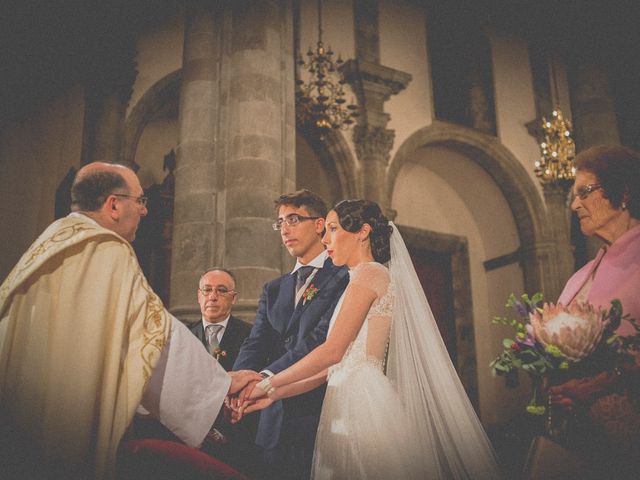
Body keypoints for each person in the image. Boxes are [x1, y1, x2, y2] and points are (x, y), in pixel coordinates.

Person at [0, 162, 259, 479]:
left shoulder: (46, 247)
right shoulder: (106, 251)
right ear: (113, 205)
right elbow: (150, 333)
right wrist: (222, 383)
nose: (145, 211)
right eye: (140, 201)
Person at [238, 199, 502, 479]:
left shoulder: (369, 274)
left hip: (361, 401)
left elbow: (332, 351)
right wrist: (273, 393)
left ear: (362, 232)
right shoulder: (358, 277)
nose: (325, 238)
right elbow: (332, 369)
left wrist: (267, 382)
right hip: (345, 391)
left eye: (332, 229)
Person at [232, 189, 350, 479]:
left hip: (320, 409)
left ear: (319, 224)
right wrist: (238, 381)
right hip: (271, 416)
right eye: (280, 222)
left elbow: (320, 339)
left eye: (294, 219)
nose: (284, 229)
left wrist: (266, 379)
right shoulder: (274, 289)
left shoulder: (344, 277)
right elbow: (256, 341)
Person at [549, 145, 640, 479]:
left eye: (584, 192)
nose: (575, 205)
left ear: (623, 191)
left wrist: (597, 384)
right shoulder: (580, 276)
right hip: (582, 438)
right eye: (574, 196)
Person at [191, 268, 252, 371]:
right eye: (207, 290)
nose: (213, 297)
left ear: (233, 298)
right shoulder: (184, 335)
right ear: (199, 296)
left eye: (221, 290)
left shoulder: (251, 335)